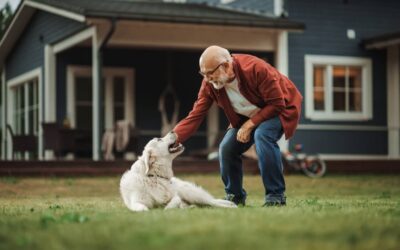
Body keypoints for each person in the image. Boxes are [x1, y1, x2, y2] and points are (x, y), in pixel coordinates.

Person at [173, 45, 302, 206]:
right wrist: (172, 138)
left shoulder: (256, 68)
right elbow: (195, 115)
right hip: (247, 117)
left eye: (210, 73)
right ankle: (235, 196)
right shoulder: (209, 84)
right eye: (203, 74)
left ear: (226, 65)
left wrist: (250, 124)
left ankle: (275, 196)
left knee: (262, 135)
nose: (207, 79)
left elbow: (277, 104)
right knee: (226, 147)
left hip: (280, 108)